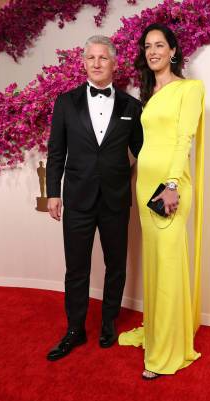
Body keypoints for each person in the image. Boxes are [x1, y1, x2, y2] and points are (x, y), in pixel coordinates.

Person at [45, 35, 144, 361]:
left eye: (104, 58)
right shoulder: (65, 102)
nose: (97, 63)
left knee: (116, 265)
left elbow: (146, 152)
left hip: (116, 199)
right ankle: (74, 329)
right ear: (84, 62)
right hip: (77, 198)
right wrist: (54, 194)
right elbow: (56, 152)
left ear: (115, 64)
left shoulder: (132, 106)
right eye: (91, 58)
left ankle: (108, 323)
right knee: (76, 268)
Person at [118, 23, 205, 380]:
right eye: (148, 46)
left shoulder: (190, 88)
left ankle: (167, 351)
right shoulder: (148, 96)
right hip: (145, 186)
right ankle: (156, 331)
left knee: (168, 264)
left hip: (169, 187)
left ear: (173, 50)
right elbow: (142, 144)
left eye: (160, 45)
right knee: (155, 263)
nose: (153, 51)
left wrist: (171, 184)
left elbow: (184, 137)